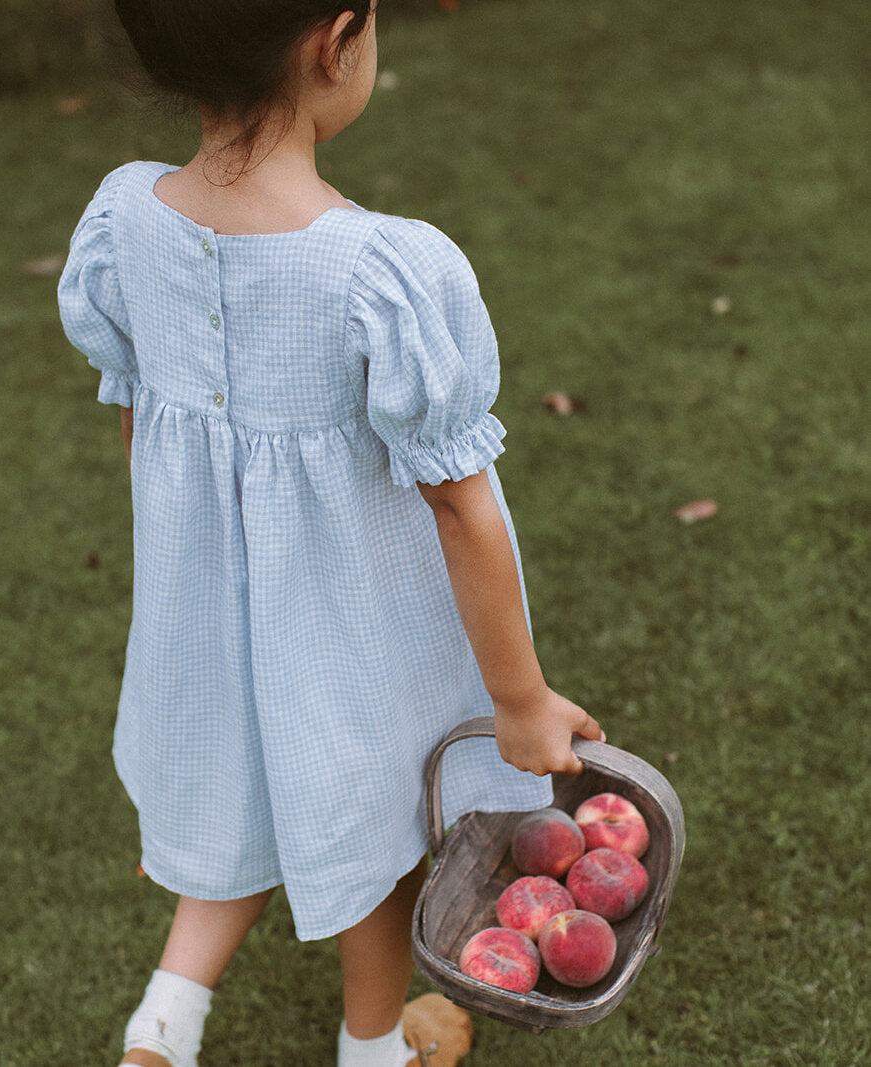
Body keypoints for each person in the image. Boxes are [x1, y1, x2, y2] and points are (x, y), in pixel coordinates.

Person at [58, 2, 604, 1064]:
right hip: (357, 632)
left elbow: (143, 425)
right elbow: (457, 503)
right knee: (382, 830)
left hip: (205, 608)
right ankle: (372, 1046)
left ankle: (164, 1019)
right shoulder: (377, 271)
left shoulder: (125, 215)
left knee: (234, 786)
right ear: (332, 42)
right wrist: (518, 700)